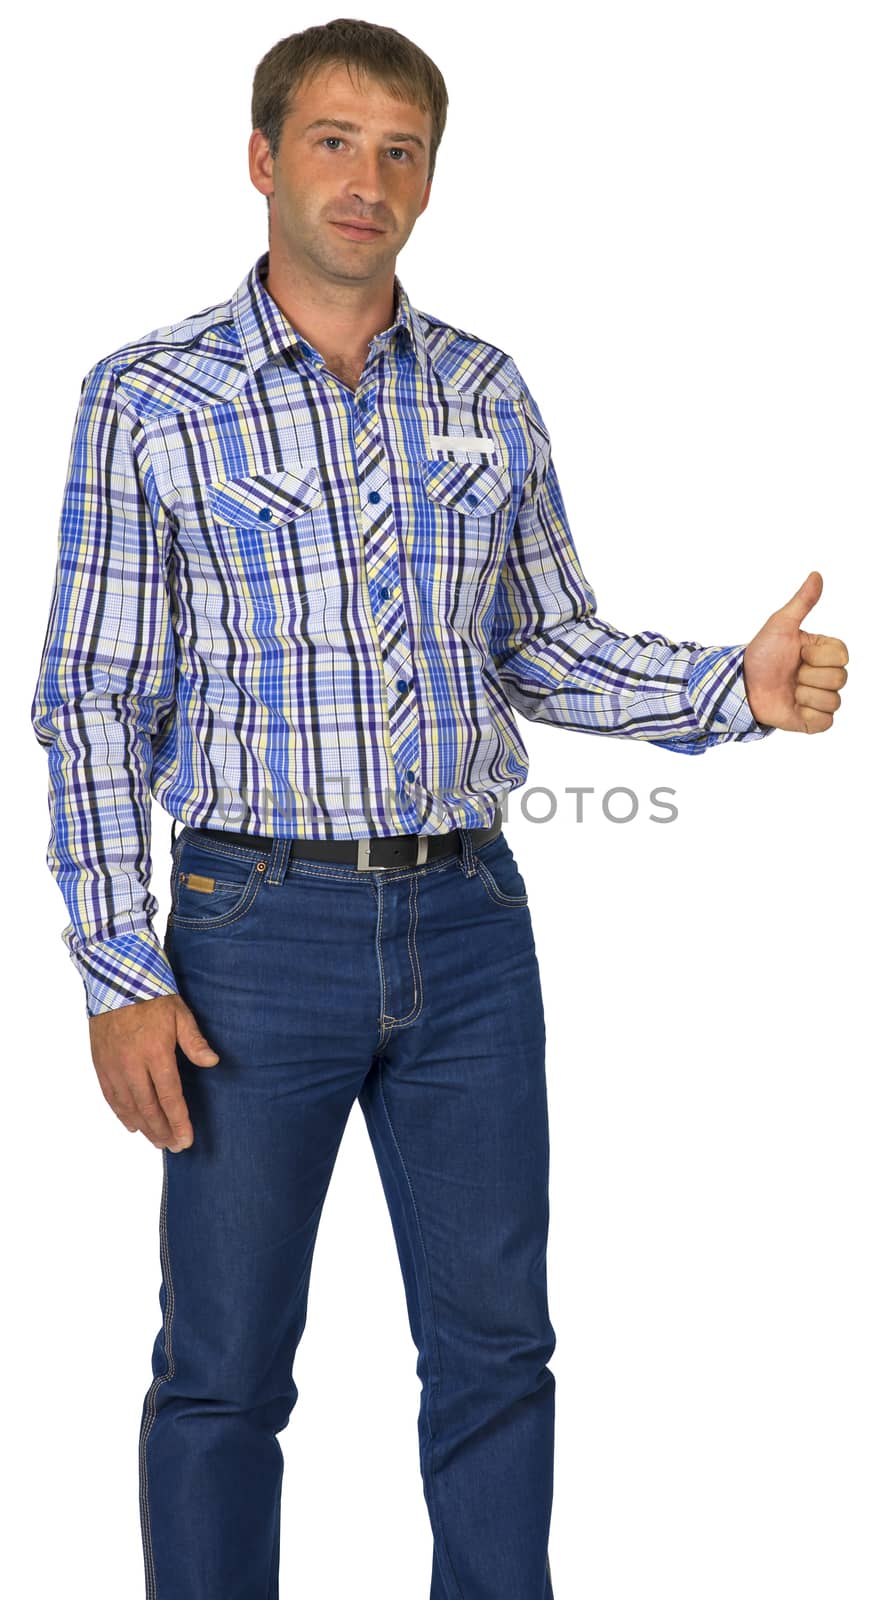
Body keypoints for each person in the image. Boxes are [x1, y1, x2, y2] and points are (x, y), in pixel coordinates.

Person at [29, 18, 849, 1600]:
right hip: (248, 938)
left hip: (471, 930)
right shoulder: (147, 400)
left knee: (498, 1353)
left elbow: (540, 641)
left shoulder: (482, 387)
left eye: (400, 151)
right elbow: (91, 701)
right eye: (333, 142)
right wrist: (119, 972)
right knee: (224, 1368)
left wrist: (730, 690)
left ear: (430, 182)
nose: (367, 180)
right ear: (262, 161)